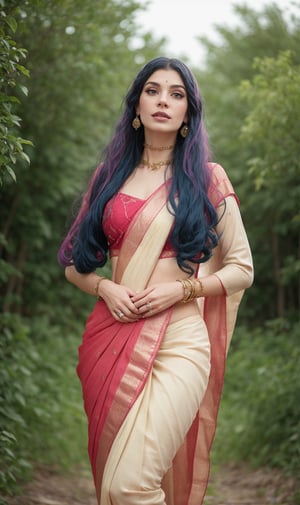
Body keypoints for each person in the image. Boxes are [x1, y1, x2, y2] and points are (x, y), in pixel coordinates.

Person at [58, 56, 253, 505]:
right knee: (111, 485)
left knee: (130, 485)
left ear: (188, 113)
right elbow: (75, 264)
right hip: (113, 337)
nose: (163, 100)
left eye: (176, 93)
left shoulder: (206, 179)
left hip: (181, 342)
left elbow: (242, 268)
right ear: (136, 106)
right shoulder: (109, 178)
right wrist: (105, 287)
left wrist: (181, 289)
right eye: (153, 90)